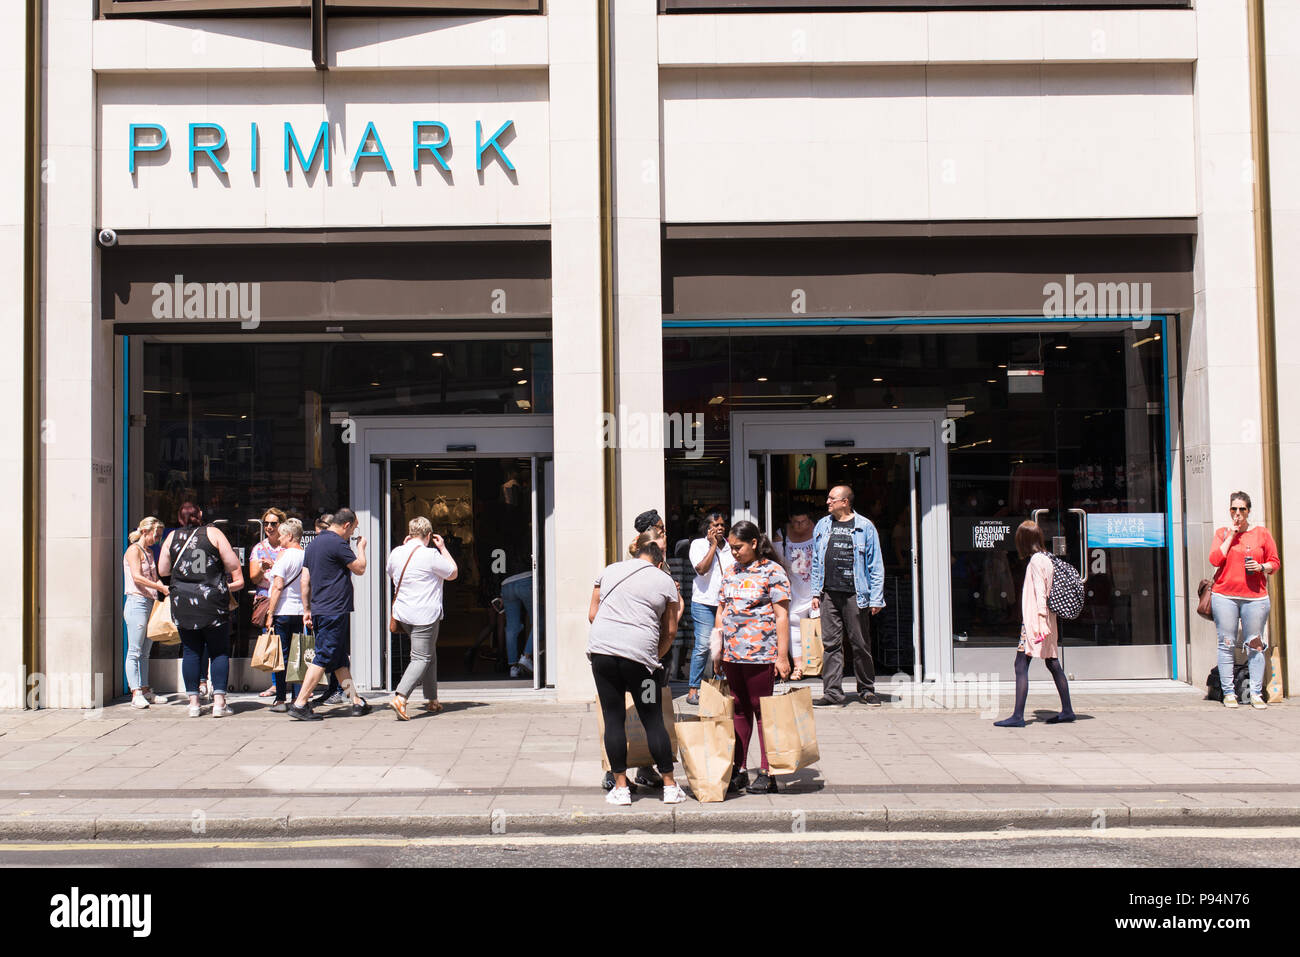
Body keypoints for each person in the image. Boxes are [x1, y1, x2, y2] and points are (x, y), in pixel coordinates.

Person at [588, 531, 685, 806]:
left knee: (613, 717)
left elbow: (593, 615)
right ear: (658, 561)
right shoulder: (664, 580)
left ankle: (620, 787)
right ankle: (668, 785)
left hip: (602, 653)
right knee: (652, 718)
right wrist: (655, 656)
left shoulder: (609, 571)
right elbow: (670, 629)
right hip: (639, 658)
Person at [711, 520, 792, 795]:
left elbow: (782, 615)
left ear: (754, 543)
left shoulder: (773, 572)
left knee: (763, 712)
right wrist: (717, 649)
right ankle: (740, 768)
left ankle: (768, 771)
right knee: (739, 709)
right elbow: (721, 611)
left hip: (761, 655)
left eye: (739, 547)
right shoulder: (731, 571)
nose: (734, 552)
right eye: (731, 548)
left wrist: (782, 657)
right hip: (733, 654)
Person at [158, 502, 245, 718]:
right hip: (212, 601)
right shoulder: (213, 533)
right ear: (201, 515)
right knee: (219, 650)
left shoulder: (172, 537)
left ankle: (194, 703)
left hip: (184, 602)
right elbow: (233, 564)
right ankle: (219, 702)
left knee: (190, 650)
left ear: (179, 519)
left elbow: (162, 570)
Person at [992, 521, 1075, 727]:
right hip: (1047, 620)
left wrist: (1038, 620)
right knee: (1052, 662)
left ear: (1024, 540)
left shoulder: (1036, 561)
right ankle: (1067, 710)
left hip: (1035, 622)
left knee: (1020, 665)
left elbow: (1039, 592)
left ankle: (1018, 716)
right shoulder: (1048, 558)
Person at [291, 508, 371, 720]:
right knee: (324, 655)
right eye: (353, 528)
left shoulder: (314, 543)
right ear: (346, 525)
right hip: (334, 609)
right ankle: (300, 703)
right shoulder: (338, 543)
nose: (353, 533)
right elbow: (360, 568)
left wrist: (307, 609)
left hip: (319, 608)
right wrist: (361, 548)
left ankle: (356, 701)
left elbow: (304, 580)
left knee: (338, 659)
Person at [810, 485, 885, 707]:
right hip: (829, 594)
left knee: (860, 643)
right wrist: (815, 592)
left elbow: (876, 565)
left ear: (845, 502)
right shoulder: (823, 525)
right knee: (830, 644)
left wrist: (876, 598)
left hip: (855, 594)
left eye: (832, 498)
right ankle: (832, 693)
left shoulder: (864, 527)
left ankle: (866, 689)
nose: (827, 502)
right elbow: (816, 561)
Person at [1209, 492, 1280, 710]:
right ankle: (1229, 693)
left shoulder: (1261, 533)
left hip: (1255, 597)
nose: (1238, 513)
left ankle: (1257, 693)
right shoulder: (1223, 533)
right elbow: (1215, 559)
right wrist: (1232, 535)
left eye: (1242, 509)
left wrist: (1261, 567)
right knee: (1226, 643)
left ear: (1249, 510)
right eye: (1234, 509)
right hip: (1225, 596)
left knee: (1255, 645)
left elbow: (1274, 562)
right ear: (1229, 511)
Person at [388, 517, 459, 720]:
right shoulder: (430, 555)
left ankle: (432, 699)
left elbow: (390, 573)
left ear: (409, 534)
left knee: (428, 653)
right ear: (428, 535)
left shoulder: (396, 552)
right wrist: (443, 548)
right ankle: (401, 696)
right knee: (421, 657)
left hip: (403, 614)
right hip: (424, 615)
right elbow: (453, 573)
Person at [687, 510, 734, 706]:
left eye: (722, 525)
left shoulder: (732, 547)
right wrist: (713, 545)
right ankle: (693, 689)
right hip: (704, 603)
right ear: (707, 528)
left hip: (727, 603)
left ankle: (722, 686)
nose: (720, 528)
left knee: (725, 645)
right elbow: (701, 569)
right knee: (704, 646)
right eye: (716, 525)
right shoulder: (698, 545)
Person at [123, 516, 169, 709]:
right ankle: (136, 692)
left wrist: (164, 589)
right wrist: (159, 588)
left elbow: (154, 577)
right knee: (135, 649)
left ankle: (145, 688)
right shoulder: (134, 550)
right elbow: (137, 577)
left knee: (145, 650)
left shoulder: (149, 552)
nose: (156, 539)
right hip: (137, 602)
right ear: (144, 531)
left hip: (149, 602)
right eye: (155, 535)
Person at [264, 518, 306, 713]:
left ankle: (280, 699)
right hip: (299, 611)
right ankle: (298, 696)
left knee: (282, 656)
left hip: (282, 610)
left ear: (290, 536)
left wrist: (270, 613)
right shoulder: (304, 556)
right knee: (298, 655)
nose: (278, 538)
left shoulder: (284, 557)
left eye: (281, 534)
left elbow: (278, 586)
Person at [773, 505, 815, 680]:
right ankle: (798, 666)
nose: (800, 525)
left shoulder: (819, 530)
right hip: (793, 588)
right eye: (796, 522)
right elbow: (776, 561)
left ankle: (815, 663)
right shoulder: (781, 534)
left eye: (803, 522)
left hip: (814, 588)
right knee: (793, 626)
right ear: (790, 520)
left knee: (817, 628)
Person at [251, 508, 287, 698]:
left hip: (287, 599)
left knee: (291, 641)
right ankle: (275, 684)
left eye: (274, 523)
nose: (270, 527)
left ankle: (295, 683)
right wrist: (260, 568)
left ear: (281, 525)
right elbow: (254, 578)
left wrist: (273, 566)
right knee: (272, 640)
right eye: (266, 524)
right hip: (267, 599)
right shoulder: (258, 549)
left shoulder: (287, 547)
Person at [503, 570, 534, 679]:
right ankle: (526, 656)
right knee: (539, 621)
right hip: (525, 578)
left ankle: (513, 667)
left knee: (511, 627)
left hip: (506, 583)